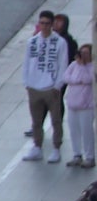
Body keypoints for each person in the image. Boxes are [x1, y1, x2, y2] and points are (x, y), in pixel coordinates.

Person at [25, 11, 71, 163]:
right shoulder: (32, 42)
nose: (43, 26)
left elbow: (62, 64)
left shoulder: (60, 42)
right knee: (36, 120)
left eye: (46, 23)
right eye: (41, 23)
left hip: (51, 88)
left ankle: (56, 148)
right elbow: (27, 63)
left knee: (56, 120)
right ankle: (37, 147)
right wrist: (27, 83)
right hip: (34, 87)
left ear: (51, 25)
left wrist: (58, 85)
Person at [68, 43, 96, 167]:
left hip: (86, 105)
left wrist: (83, 68)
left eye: (86, 53)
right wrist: (77, 81)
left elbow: (88, 79)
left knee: (87, 132)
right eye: (82, 53)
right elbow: (66, 77)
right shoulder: (74, 65)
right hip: (73, 103)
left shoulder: (92, 67)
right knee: (74, 131)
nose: (83, 56)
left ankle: (89, 156)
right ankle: (77, 154)